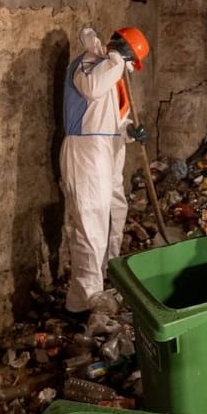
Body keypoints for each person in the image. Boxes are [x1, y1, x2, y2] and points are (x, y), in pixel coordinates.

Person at [59, 26, 151, 320]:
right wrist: (116, 60)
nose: (128, 68)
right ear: (121, 50)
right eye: (130, 61)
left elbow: (113, 121)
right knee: (91, 227)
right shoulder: (90, 63)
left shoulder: (114, 76)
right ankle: (83, 305)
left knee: (115, 212)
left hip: (108, 150)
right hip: (86, 152)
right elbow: (91, 89)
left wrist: (130, 133)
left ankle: (108, 276)